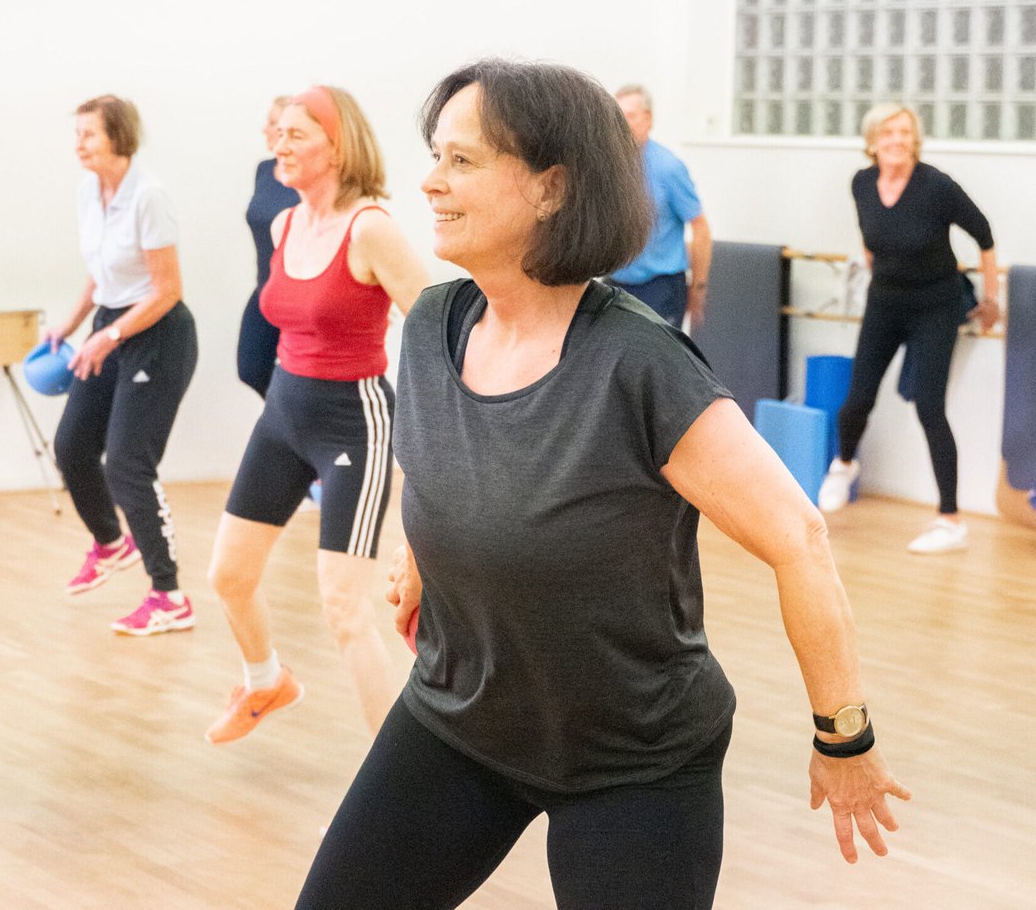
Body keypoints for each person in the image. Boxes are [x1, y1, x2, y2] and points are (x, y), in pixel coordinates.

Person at [295, 59, 909, 910]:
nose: (430, 183)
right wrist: (421, 555)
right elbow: (439, 467)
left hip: (637, 760)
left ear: (551, 187)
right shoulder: (433, 324)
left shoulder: (640, 363)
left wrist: (844, 736)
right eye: (434, 156)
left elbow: (799, 537)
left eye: (462, 161)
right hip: (460, 721)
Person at [204, 85, 427, 744]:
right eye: (277, 133)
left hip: (351, 421)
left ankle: (394, 794)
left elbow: (435, 327)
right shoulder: (285, 224)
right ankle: (265, 678)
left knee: (345, 610)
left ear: (338, 146)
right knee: (229, 575)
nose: (279, 144)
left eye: (296, 134)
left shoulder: (372, 228)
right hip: (282, 414)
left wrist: (439, 431)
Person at [45, 95, 199, 635]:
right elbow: (100, 271)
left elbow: (166, 290)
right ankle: (111, 543)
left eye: (89, 134)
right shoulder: (90, 190)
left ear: (118, 137)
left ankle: (169, 595)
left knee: (129, 464)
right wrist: (71, 323)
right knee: (71, 446)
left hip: (158, 334)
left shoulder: (149, 197)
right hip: (110, 326)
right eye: (78, 133)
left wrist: (107, 336)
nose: (79, 144)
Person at [818, 103, 999, 554]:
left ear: (914, 139)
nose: (897, 139)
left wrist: (992, 299)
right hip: (886, 302)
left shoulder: (936, 186)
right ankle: (844, 464)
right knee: (856, 400)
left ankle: (950, 520)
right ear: (873, 139)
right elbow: (870, 235)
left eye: (904, 132)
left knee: (930, 409)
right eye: (888, 132)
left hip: (936, 306)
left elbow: (984, 233)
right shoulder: (861, 183)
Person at [608, 84, 712, 330]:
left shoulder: (668, 168)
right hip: (617, 283)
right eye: (617, 117)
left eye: (630, 116)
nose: (623, 124)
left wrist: (698, 287)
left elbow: (701, 228)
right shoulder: (611, 166)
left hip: (659, 287)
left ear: (648, 119)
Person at [236, 96, 300, 398]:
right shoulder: (263, 170)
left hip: (300, 296)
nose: (266, 130)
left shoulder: (307, 178)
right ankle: (287, 422)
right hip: (265, 287)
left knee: (299, 371)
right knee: (250, 368)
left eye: (274, 124)